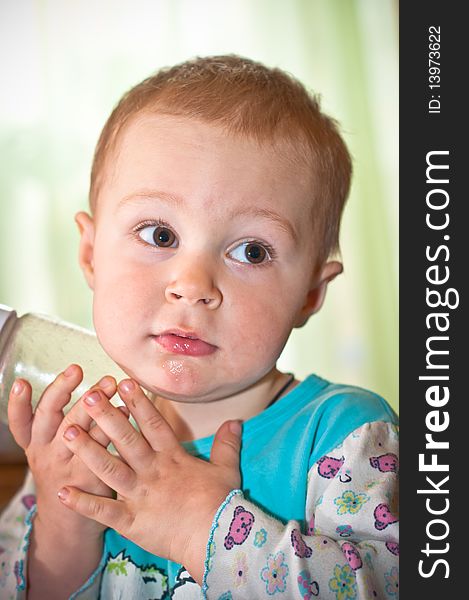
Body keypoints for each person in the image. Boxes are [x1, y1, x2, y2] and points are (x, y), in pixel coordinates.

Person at [0, 55, 398, 599]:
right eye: (159, 234)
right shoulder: (81, 438)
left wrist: (203, 527)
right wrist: (63, 524)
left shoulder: (347, 436)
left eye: (251, 250)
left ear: (309, 292)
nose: (192, 284)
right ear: (91, 254)